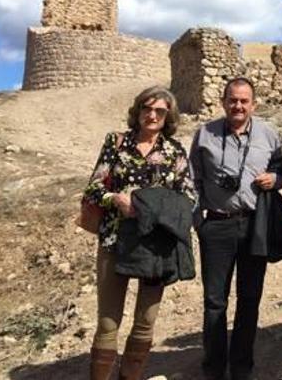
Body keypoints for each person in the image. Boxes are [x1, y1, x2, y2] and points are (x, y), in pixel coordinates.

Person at [83, 86, 195, 380]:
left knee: (145, 321)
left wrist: (159, 208)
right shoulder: (116, 143)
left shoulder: (174, 151)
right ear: (138, 110)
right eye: (147, 108)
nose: (153, 115)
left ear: (168, 116)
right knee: (108, 322)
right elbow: (94, 188)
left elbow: (188, 196)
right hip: (114, 239)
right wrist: (115, 199)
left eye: (160, 111)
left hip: (156, 244)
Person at [190, 77, 282, 380]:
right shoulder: (204, 134)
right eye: (233, 100)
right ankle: (214, 368)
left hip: (254, 225)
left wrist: (276, 179)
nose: (238, 106)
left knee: (250, 298)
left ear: (253, 104)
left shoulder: (268, 134)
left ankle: (242, 366)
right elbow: (192, 182)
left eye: (244, 101)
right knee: (214, 302)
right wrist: (199, 223)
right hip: (216, 226)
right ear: (223, 102)